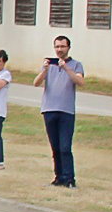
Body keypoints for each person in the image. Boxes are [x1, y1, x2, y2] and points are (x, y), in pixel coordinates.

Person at [35, 35, 84, 187]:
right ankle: (59, 177)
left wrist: (66, 68)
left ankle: (69, 178)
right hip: (49, 109)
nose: (59, 49)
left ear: (68, 48)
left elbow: (80, 82)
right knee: (55, 147)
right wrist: (45, 70)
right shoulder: (49, 66)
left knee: (65, 147)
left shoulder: (76, 65)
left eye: (62, 46)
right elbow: (36, 83)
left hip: (66, 111)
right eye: (57, 47)